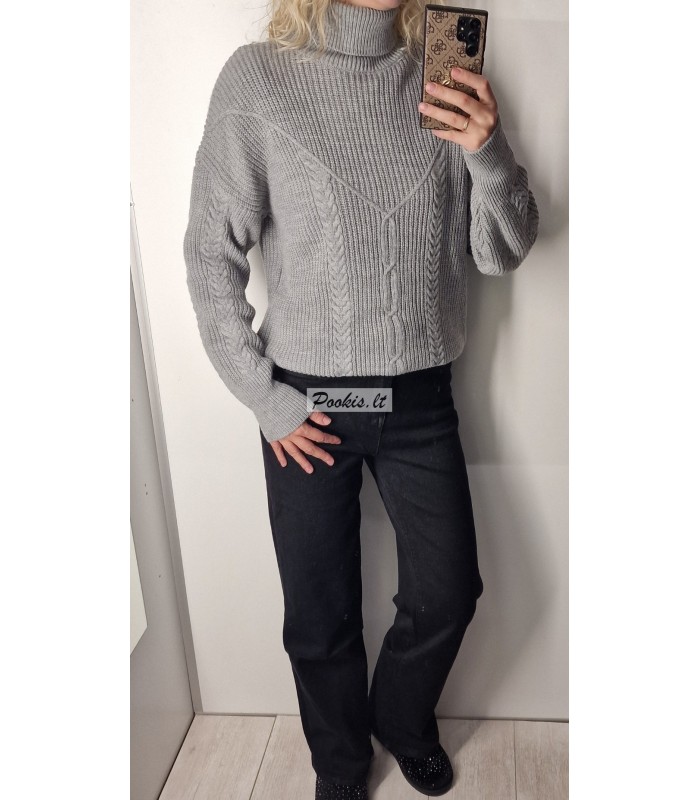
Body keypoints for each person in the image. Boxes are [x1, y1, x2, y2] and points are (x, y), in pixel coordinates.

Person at [183, 0, 539, 797]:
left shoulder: (443, 73)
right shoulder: (258, 80)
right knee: (320, 615)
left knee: (449, 593)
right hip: (304, 408)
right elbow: (210, 256)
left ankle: (401, 720)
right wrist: (265, 399)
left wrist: (486, 149)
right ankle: (341, 764)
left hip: (420, 402)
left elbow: (505, 248)